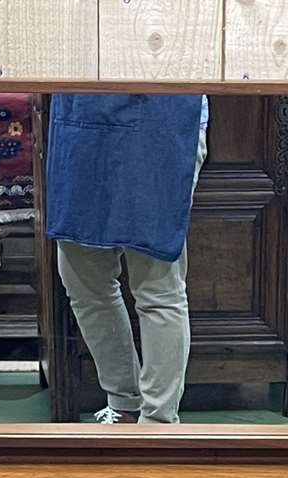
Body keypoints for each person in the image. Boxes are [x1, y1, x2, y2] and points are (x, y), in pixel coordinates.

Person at [44, 93, 208, 423]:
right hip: (81, 111)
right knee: (80, 276)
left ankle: (159, 424)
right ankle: (124, 403)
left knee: (158, 281)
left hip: (161, 116)